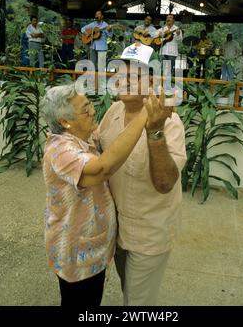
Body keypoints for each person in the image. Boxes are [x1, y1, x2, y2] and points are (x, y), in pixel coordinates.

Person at [42, 82, 166, 306]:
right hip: (76, 252)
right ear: (64, 122)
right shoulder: (60, 150)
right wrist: (145, 116)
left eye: (90, 104)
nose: (92, 111)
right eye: (85, 109)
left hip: (91, 250)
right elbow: (103, 168)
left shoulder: (86, 137)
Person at [99, 43, 187, 306]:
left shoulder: (169, 122)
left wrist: (155, 131)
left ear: (151, 81)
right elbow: (97, 149)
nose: (124, 81)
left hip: (149, 233)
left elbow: (165, 183)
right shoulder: (113, 112)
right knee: (129, 290)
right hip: (116, 230)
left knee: (138, 304)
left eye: (135, 76)